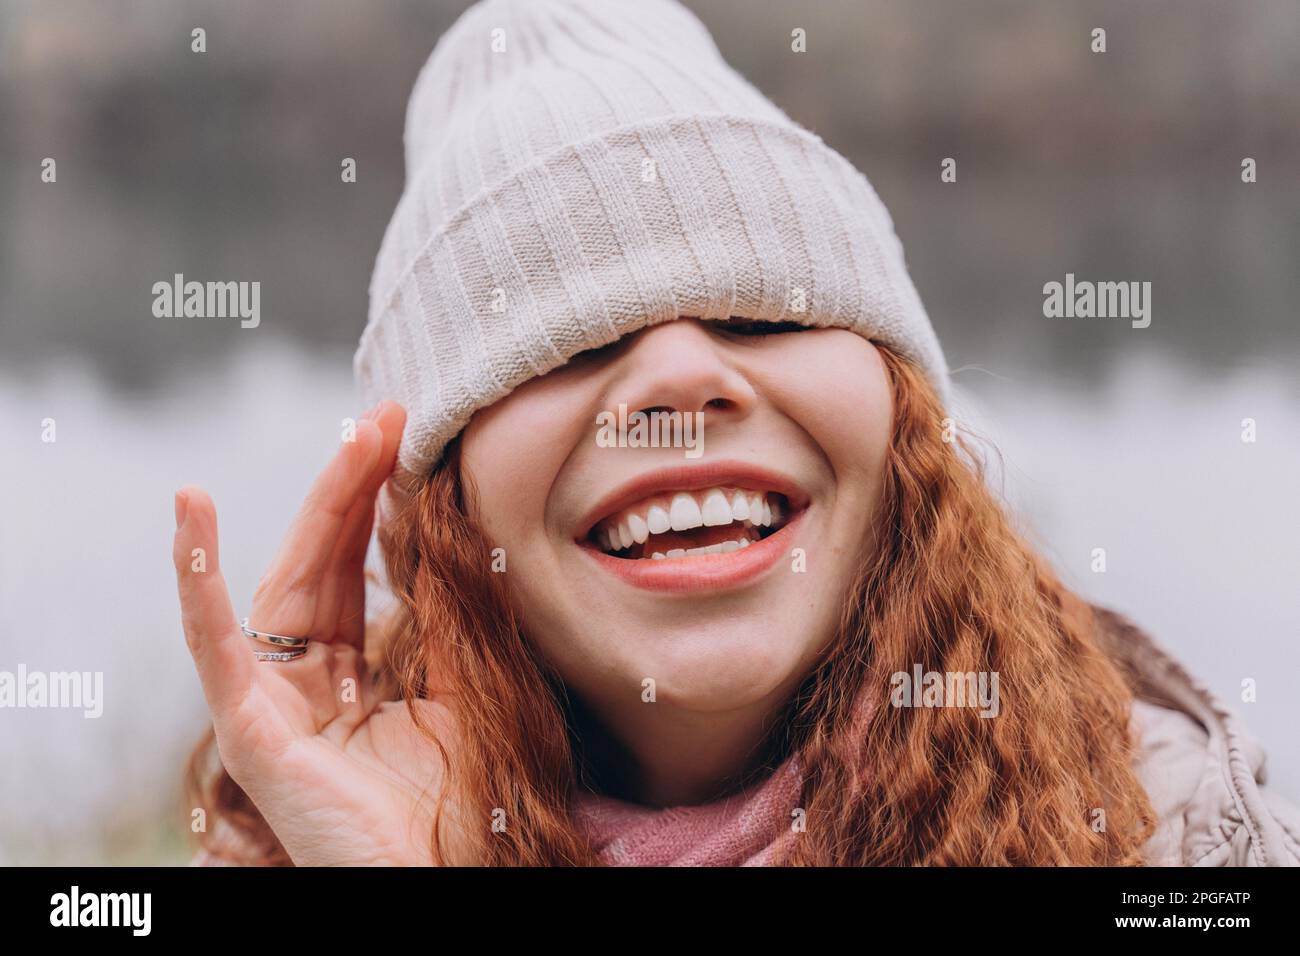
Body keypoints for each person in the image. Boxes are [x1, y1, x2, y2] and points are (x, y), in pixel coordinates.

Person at [173, 0, 1300, 866]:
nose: (679, 376)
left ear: (901, 414)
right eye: (567, 346)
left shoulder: (1175, 838)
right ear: (445, 506)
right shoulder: (329, 836)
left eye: (763, 311)